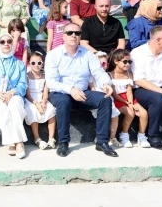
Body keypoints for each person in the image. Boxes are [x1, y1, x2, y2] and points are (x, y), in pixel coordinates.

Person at [45, 22, 117, 157]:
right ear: (63, 36)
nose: (74, 36)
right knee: (63, 101)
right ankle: (63, 142)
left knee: (105, 99)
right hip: (60, 92)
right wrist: (71, 89)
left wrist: (106, 83)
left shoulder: (88, 54)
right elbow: (51, 82)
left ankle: (102, 142)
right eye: (70, 33)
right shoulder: (53, 55)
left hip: (83, 93)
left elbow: (98, 72)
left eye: (77, 33)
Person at [0, 33, 29, 158]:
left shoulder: (19, 64)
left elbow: (23, 84)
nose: (6, 43)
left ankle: (13, 143)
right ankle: (18, 142)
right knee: (0, 108)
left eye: (9, 41)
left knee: (15, 104)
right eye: (3, 42)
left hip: (14, 94)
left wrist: (11, 93)